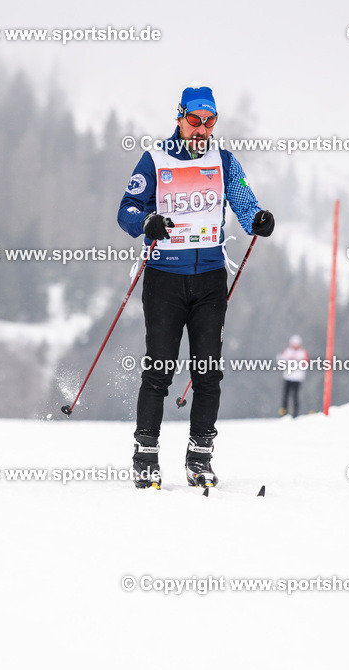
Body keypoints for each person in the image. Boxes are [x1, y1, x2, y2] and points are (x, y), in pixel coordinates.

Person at [117, 82, 274, 489]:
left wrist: (257, 218)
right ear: (180, 117)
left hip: (208, 281)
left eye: (210, 122)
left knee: (208, 371)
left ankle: (200, 457)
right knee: (160, 367)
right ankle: (145, 456)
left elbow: (242, 199)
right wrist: (145, 222)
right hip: (165, 278)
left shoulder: (224, 160)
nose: (202, 129)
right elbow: (127, 209)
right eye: (194, 120)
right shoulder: (154, 159)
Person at [278, 335, 309, 418]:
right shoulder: (287, 351)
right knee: (286, 395)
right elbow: (281, 361)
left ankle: (295, 414)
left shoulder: (302, 352)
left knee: (295, 396)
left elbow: (305, 363)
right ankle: (284, 412)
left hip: (298, 378)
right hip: (288, 377)